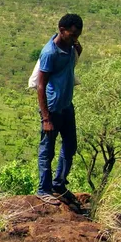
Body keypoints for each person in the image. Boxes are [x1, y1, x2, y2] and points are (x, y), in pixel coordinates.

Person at [36, 14, 83, 209]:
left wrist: (77, 49)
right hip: (53, 108)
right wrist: (46, 117)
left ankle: (59, 184)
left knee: (70, 147)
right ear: (61, 30)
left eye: (78, 35)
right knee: (47, 150)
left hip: (66, 106)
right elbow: (41, 85)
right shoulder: (50, 53)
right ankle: (43, 189)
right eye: (72, 34)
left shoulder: (71, 48)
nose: (75, 38)